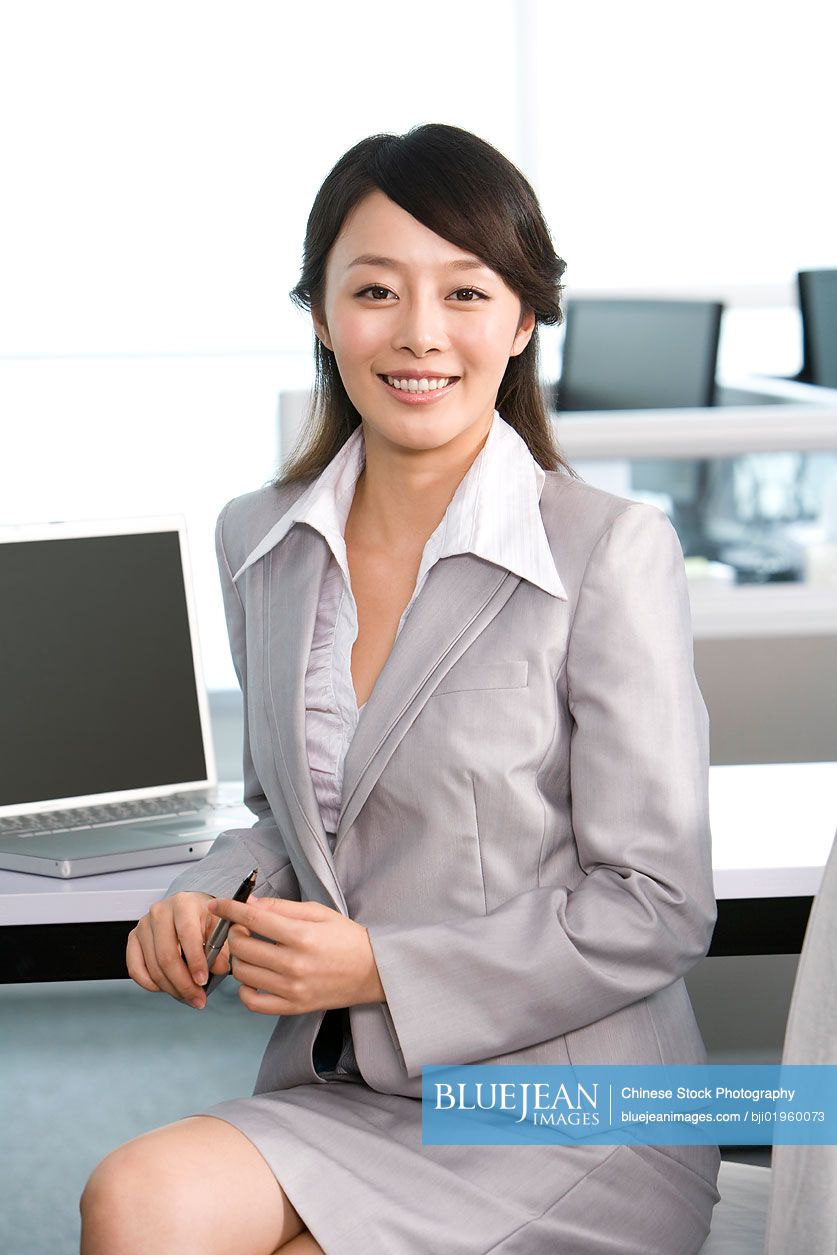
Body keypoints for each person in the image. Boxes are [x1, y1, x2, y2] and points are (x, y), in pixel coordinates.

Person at [80, 122, 722, 1254]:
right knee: (134, 1198)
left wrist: (382, 965)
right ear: (323, 315)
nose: (420, 334)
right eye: (375, 289)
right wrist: (209, 891)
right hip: (349, 1087)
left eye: (466, 294)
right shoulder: (261, 539)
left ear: (522, 320)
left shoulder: (609, 550)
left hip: (574, 1110)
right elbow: (292, 812)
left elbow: (655, 901)